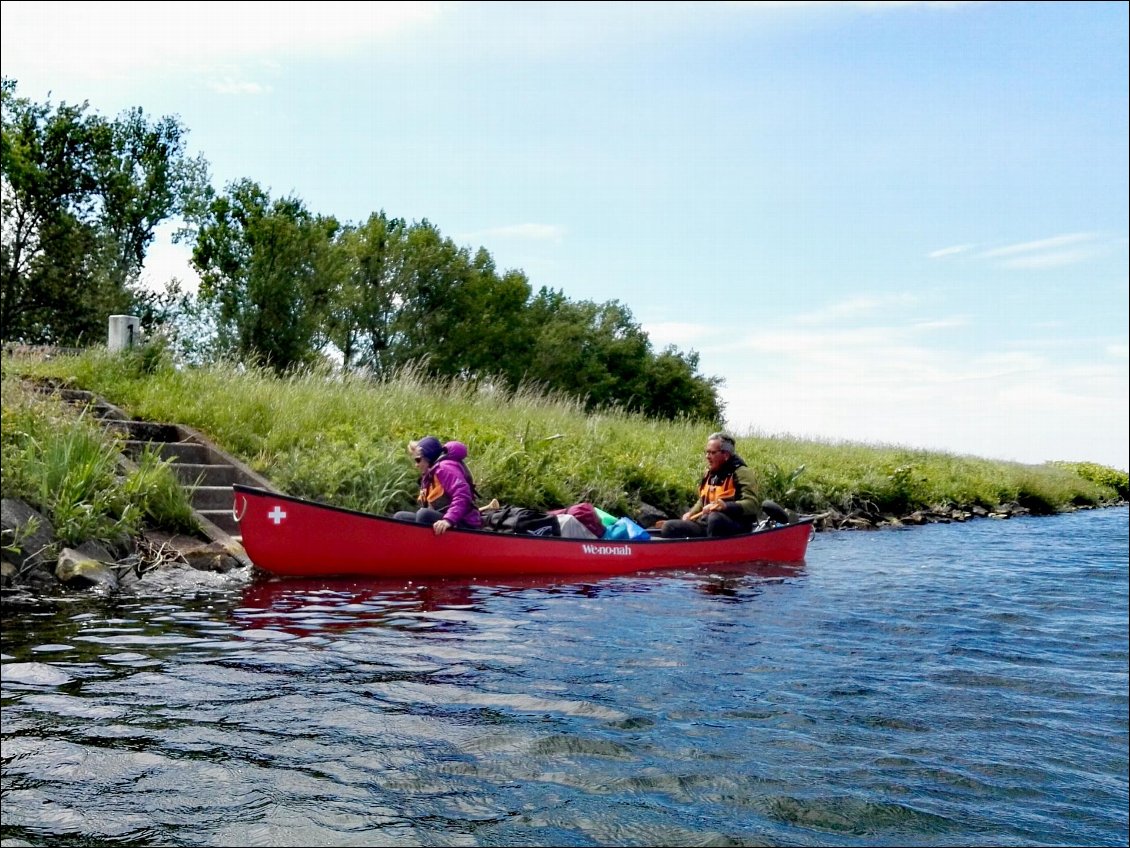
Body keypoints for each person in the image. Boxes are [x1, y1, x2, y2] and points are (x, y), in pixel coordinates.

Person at [660, 432, 762, 538]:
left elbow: (752, 504)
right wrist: (691, 514)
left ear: (726, 455)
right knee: (669, 527)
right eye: (707, 452)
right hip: (707, 523)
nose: (707, 457)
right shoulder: (709, 473)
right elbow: (702, 500)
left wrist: (725, 506)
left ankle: (713, 551)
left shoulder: (742, 472)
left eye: (712, 453)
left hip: (735, 526)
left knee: (715, 518)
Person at [393, 436, 483, 535]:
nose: (416, 465)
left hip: (463, 523)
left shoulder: (444, 469)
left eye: (418, 460)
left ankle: (422, 548)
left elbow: (462, 495)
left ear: (429, 457)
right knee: (400, 517)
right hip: (446, 519)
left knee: (424, 515)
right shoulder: (429, 475)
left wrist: (448, 520)